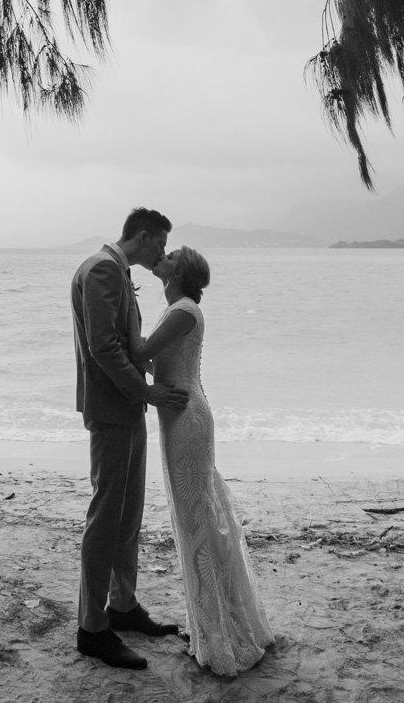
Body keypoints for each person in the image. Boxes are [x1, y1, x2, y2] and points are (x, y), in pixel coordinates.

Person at [131, 247, 274, 675]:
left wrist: (123, 303)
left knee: (198, 518)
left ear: (182, 270)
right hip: (181, 414)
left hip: (186, 418)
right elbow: (160, 361)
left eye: (171, 255)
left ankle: (220, 632)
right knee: (195, 517)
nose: (163, 255)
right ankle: (217, 625)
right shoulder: (180, 308)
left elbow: (140, 355)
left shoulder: (184, 311)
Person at [71, 207, 190, 670]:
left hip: (126, 405)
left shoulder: (114, 268)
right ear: (143, 237)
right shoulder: (102, 269)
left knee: (128, 512)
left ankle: (122, 606)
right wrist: (148, 392)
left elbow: (123, 343)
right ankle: (92, 628)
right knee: (107, 515)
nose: (162, 253)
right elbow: (104, 346)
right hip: (112, 407)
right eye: (160, 244)